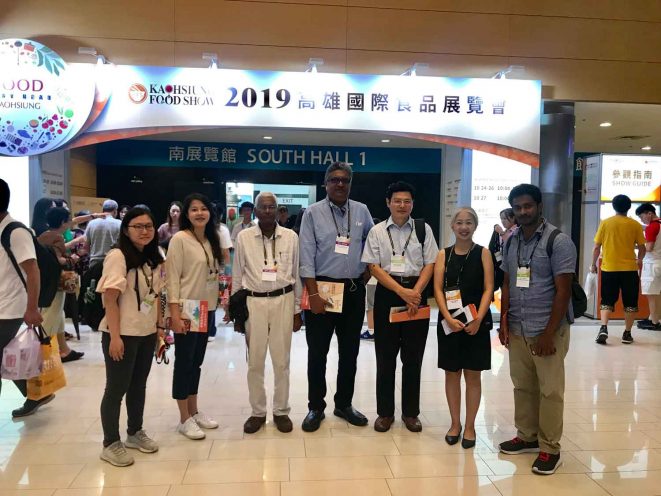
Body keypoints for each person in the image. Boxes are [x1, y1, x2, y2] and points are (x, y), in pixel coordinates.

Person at [498, 183, 576, 476]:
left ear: (539, 206)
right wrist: (504, 321)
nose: (523, 211)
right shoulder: (511, 240)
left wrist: (548, 334)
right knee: (522, 385)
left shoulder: (558, 241)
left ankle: (550, 448)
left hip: (547, 329)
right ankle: (527, 435)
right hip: (517, 325)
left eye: (528, 206)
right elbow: (507, 282)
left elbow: (563, 291)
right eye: (517, 207)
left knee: (550, 391)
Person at [299, 162, 374, 432]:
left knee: (350, 352)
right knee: (317, 353)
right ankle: (315, 407)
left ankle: (343, 404)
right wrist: (313, 293)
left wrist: (367, 272)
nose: (340, 184)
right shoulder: (312, 213)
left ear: (350, 184)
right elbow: (306, 255)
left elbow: (372, 244)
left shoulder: (362, 211)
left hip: (352, 291)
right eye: (334, 180)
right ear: (326, 184)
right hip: (322, 291)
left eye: (344, 180)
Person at [362, 182, 438, 433]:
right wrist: (401, 291)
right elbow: (373, 267)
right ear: (388, 203)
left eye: (407, 201)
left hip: (416, 294)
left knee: (413, 358)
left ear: (412, 204)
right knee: (385, 357)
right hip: (388, 294)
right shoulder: (377, 231)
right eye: (397, 200)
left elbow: (430, 263)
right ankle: (385, 413)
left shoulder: (423, 229)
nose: (402, 205)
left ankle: (411, 413)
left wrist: (415, 292)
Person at [96, 206, 165, 466]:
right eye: (138, 226)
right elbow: (110, 299)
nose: (144, 231)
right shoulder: (118, 256)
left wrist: (159, 328)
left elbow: (158, 295)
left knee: (138, 386)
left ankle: (135, 432)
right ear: (126, 230)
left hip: (146, 332)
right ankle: (110, 443)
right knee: (116, 389)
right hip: (122, 334)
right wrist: (115, 338)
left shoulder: (155, 256)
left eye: (149, 226)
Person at [232, 192, 303, 434]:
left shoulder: (291, 237)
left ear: (278, 209)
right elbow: (237, 275)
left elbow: (297, 274)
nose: (268, 211)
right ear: (255, 211)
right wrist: (237, 313)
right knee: (255, 361)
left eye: (272, 207)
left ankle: (281, 411)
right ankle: (258, 412)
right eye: (263, 207)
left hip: (284, 299)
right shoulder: (244, 237)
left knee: (282, 361)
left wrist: (297, 311)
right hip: (254, 302)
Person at [434, 207, 493, 446]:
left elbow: (489, 288)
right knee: (451, 374)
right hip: (450, 324)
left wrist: (479, 319)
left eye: (469, 222)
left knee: (473, 375)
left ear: (475, 226)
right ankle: (455, 423)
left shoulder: (483, 253)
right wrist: (447, 317)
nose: (464, 227)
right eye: (459, 222)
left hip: (475, 324)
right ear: (452, 226)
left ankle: (469, 426)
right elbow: (438, 289)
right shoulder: (443, 254)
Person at [166, 193, 222, 440]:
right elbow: (172, 279)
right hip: (187, 309)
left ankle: (194, 410)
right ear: (186, 214)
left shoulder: (211, 238)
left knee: (196, 362)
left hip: (205, 309)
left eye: (203, 208)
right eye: (194, 209)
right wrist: (174, 314)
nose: (200, 213)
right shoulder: (179, 239)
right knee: (184, 363)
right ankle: (183, 418)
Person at [0, 179, 55, 418]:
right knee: (6, 356)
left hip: (12, 307)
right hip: (4, 305)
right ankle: (36, 393)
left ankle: (36, 393)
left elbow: (33, 271)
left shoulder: (16, 232)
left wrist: (32, 308)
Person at [590, 194, 646, 345]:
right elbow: (642, 248)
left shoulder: (605, 223)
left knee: (607, 300)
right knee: (630, 302)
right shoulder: (635, 225)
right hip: (630, 270)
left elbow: (596, 247)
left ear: (614, 206)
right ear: (629, 207)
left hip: (609, 268)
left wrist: (593, 264)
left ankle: (603, 328)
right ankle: (627, 333)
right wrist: (639, 259)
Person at [39, 207, 85, 363]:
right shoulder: (57, 237)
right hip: (56, 282)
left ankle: (64, 350)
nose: (70, 223)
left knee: (58, 315)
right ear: (62, 222)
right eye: (68, 221)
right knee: (52, 315)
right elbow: (59, 260)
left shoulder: (44, 236)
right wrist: (74, 258)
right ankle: (43, 353)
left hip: (45, 280)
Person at [635, 203, 661, 331]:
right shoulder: (659, 224)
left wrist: (636, 246)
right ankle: (654, 318)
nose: (642, 220)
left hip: (652, 264)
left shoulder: (652, 227)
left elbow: (649, 248)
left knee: (651, 295)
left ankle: (654, 322)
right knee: (657, 293)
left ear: (649, 213)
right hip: (659, 262)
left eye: (641, 217)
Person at [86, 200, 123, 268]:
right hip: (113, 261)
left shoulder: (91, 223)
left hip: (94, 262)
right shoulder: (119, 223)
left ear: (103, 210)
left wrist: (92, 255)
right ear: (115, 211)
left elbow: (86, 245)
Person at [488, 208, 517, 291]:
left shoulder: (517, 230)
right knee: (503, 288)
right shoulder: (504, 231)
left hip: (513, 267)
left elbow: (512, 245)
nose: (502, 221)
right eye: (501, 219)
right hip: (502, 266)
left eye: (505, 218)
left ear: (513, 218)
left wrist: (501, 232)